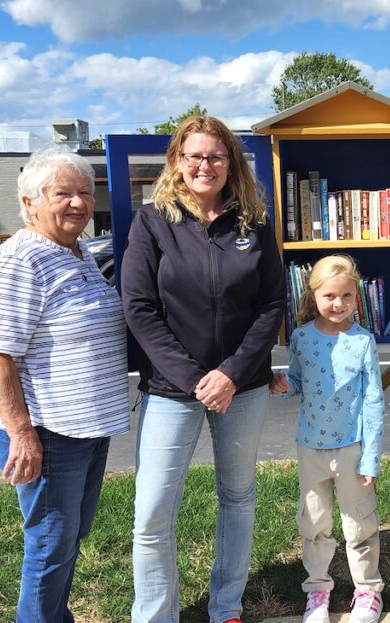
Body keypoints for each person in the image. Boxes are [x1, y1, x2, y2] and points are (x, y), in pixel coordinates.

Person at [121, 115, 285, 623]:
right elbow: (139, 308)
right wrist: (196, 379)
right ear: (176, 162)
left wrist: (232, 373)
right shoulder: (151, 223)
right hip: (172, 389)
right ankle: (155, 615)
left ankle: (226, 607)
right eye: (194, 156)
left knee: (236, 498)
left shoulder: (253, 225)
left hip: (243, 387)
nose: (204, 165)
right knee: (151, 512)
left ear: (230, 163)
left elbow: (271, 305)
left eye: (216, 156)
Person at [0, 148, 130, 622]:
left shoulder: (78, 252)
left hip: (86, 428)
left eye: (84, 192)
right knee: (49, 546)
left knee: (67, 538)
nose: (78, 203)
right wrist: (23, 433)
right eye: (62, 193)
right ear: (30, 201)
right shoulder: (20, 258)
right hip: (48, 433)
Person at [269, 254, 386, 623]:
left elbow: (374, 401)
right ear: (314, 295)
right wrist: (284, 386)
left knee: (359, 521)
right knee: (315, 521)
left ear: (357, 296)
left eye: (347, 296)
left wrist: (371, 456)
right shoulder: (301, 339)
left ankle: (367, 591)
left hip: (352, 447)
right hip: (311, 447)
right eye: (330, 296)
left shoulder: (363, 341)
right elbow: (299, 382)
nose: (338, 304)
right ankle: (318, 589)